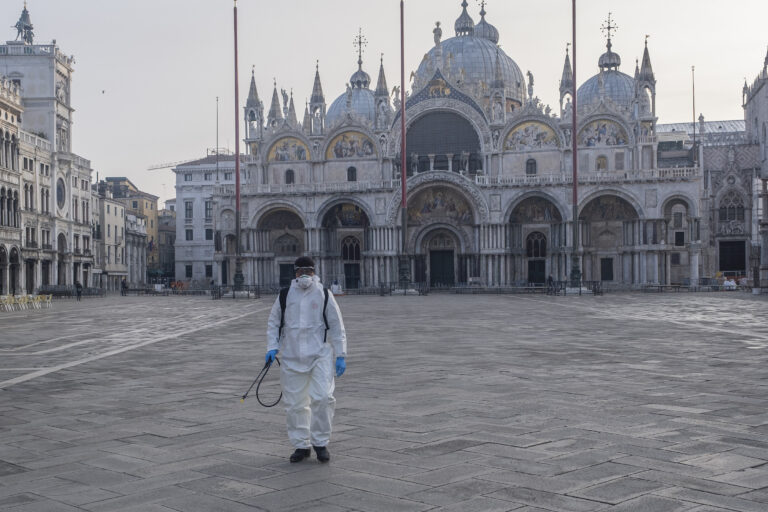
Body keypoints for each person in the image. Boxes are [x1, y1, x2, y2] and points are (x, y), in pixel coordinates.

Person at [265, 256, 347, 464]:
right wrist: (272, 347)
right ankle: (301, 444)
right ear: (295, 273)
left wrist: (341, 354)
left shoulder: (324, 294)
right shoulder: (285, 295)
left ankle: (320, 442)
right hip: (291, 356)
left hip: (319, 354)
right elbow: (274, 322)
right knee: (295, 404)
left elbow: (336, 325)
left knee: (323, 398)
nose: (304, 275)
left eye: (307, 271)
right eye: (300, 271)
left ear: (314, 272)